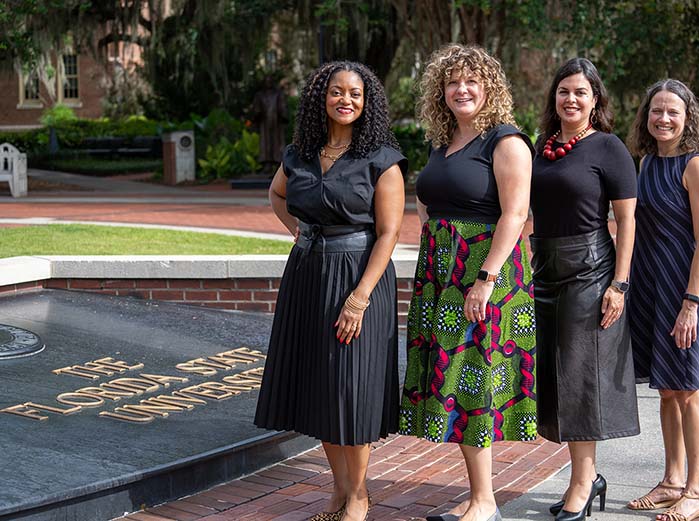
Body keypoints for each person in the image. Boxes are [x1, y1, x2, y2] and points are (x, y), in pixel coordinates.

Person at [254, 61, 407, 521]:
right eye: (337, 92)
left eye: (355, 94)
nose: (346, 100)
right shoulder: (300, 152)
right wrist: (299, 230)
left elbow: (389, 234)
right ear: (322, 97)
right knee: (321, 387)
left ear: (367, 102)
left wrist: (359, 298)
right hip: (307, 276)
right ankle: (340, 494)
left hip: (359, 276)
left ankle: (359, 496)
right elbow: (277, 195)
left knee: (350, 391)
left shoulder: (381, 158)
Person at [399, 44, 536, 521]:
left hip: (485, 276)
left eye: (471, 81)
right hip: (443, 277)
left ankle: (485, 503)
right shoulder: (442, 143)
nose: (462, 89)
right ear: (441, 91)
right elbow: (428, 200)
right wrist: (436, 240)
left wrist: (484, 279)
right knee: (452, 380)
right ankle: (479, 497)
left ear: (489, 88)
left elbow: (516, 215)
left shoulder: (506, 142)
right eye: (452, 82)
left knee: (474, 380)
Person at [529, 57, 640, 521]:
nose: (570, 99)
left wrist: (619, 283)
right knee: (553, 376)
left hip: (591, 270)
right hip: (545, 267)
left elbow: (628, 220)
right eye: (563, 91)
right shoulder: (542, 145)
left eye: (580, 92)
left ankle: (582, 482)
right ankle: (584, 477)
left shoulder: (609, 148)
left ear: (595, 100)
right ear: (553, 98)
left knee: (581, 376)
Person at [625, 79, 699, 521]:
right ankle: (671, 481)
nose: (663, 118)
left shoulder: (697, 168)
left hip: (683, 292)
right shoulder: (645, 164)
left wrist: (691, 304)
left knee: (688, 390)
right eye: (656, 111)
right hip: (651, 289)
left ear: (688, 118)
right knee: (667, 390)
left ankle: (697, 491)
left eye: (672, 112)